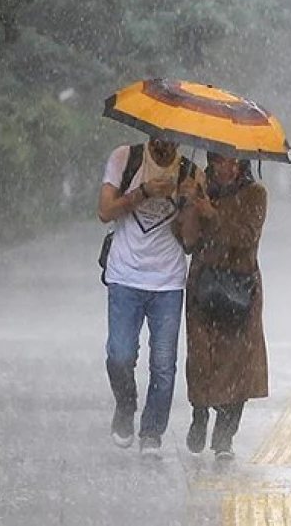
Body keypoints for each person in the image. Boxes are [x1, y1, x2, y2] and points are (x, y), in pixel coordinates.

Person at [97, 137, 199, 458]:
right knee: (120, 354)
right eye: (159, 135)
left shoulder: (190, 172)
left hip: (167, 281)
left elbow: (192, 240)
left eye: (172, 137)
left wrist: (188, 204)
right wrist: (143, 192)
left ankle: (152, 431)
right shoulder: (125, 158)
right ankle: (126, 405)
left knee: (164, 363)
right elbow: (105, 211)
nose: (165, 144)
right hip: (125, 276)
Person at [179, 152, 269, 460]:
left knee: (239, 364)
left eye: (234, 161)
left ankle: (224, 435)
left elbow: (245, 236)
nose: (227, 168)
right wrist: (191, 205)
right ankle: (200, 414)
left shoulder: (255, 193)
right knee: (202, 356)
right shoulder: (200, 186)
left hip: (240, 287)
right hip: (204, 285)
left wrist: (212, 213)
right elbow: (187, 241)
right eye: (220, 160)